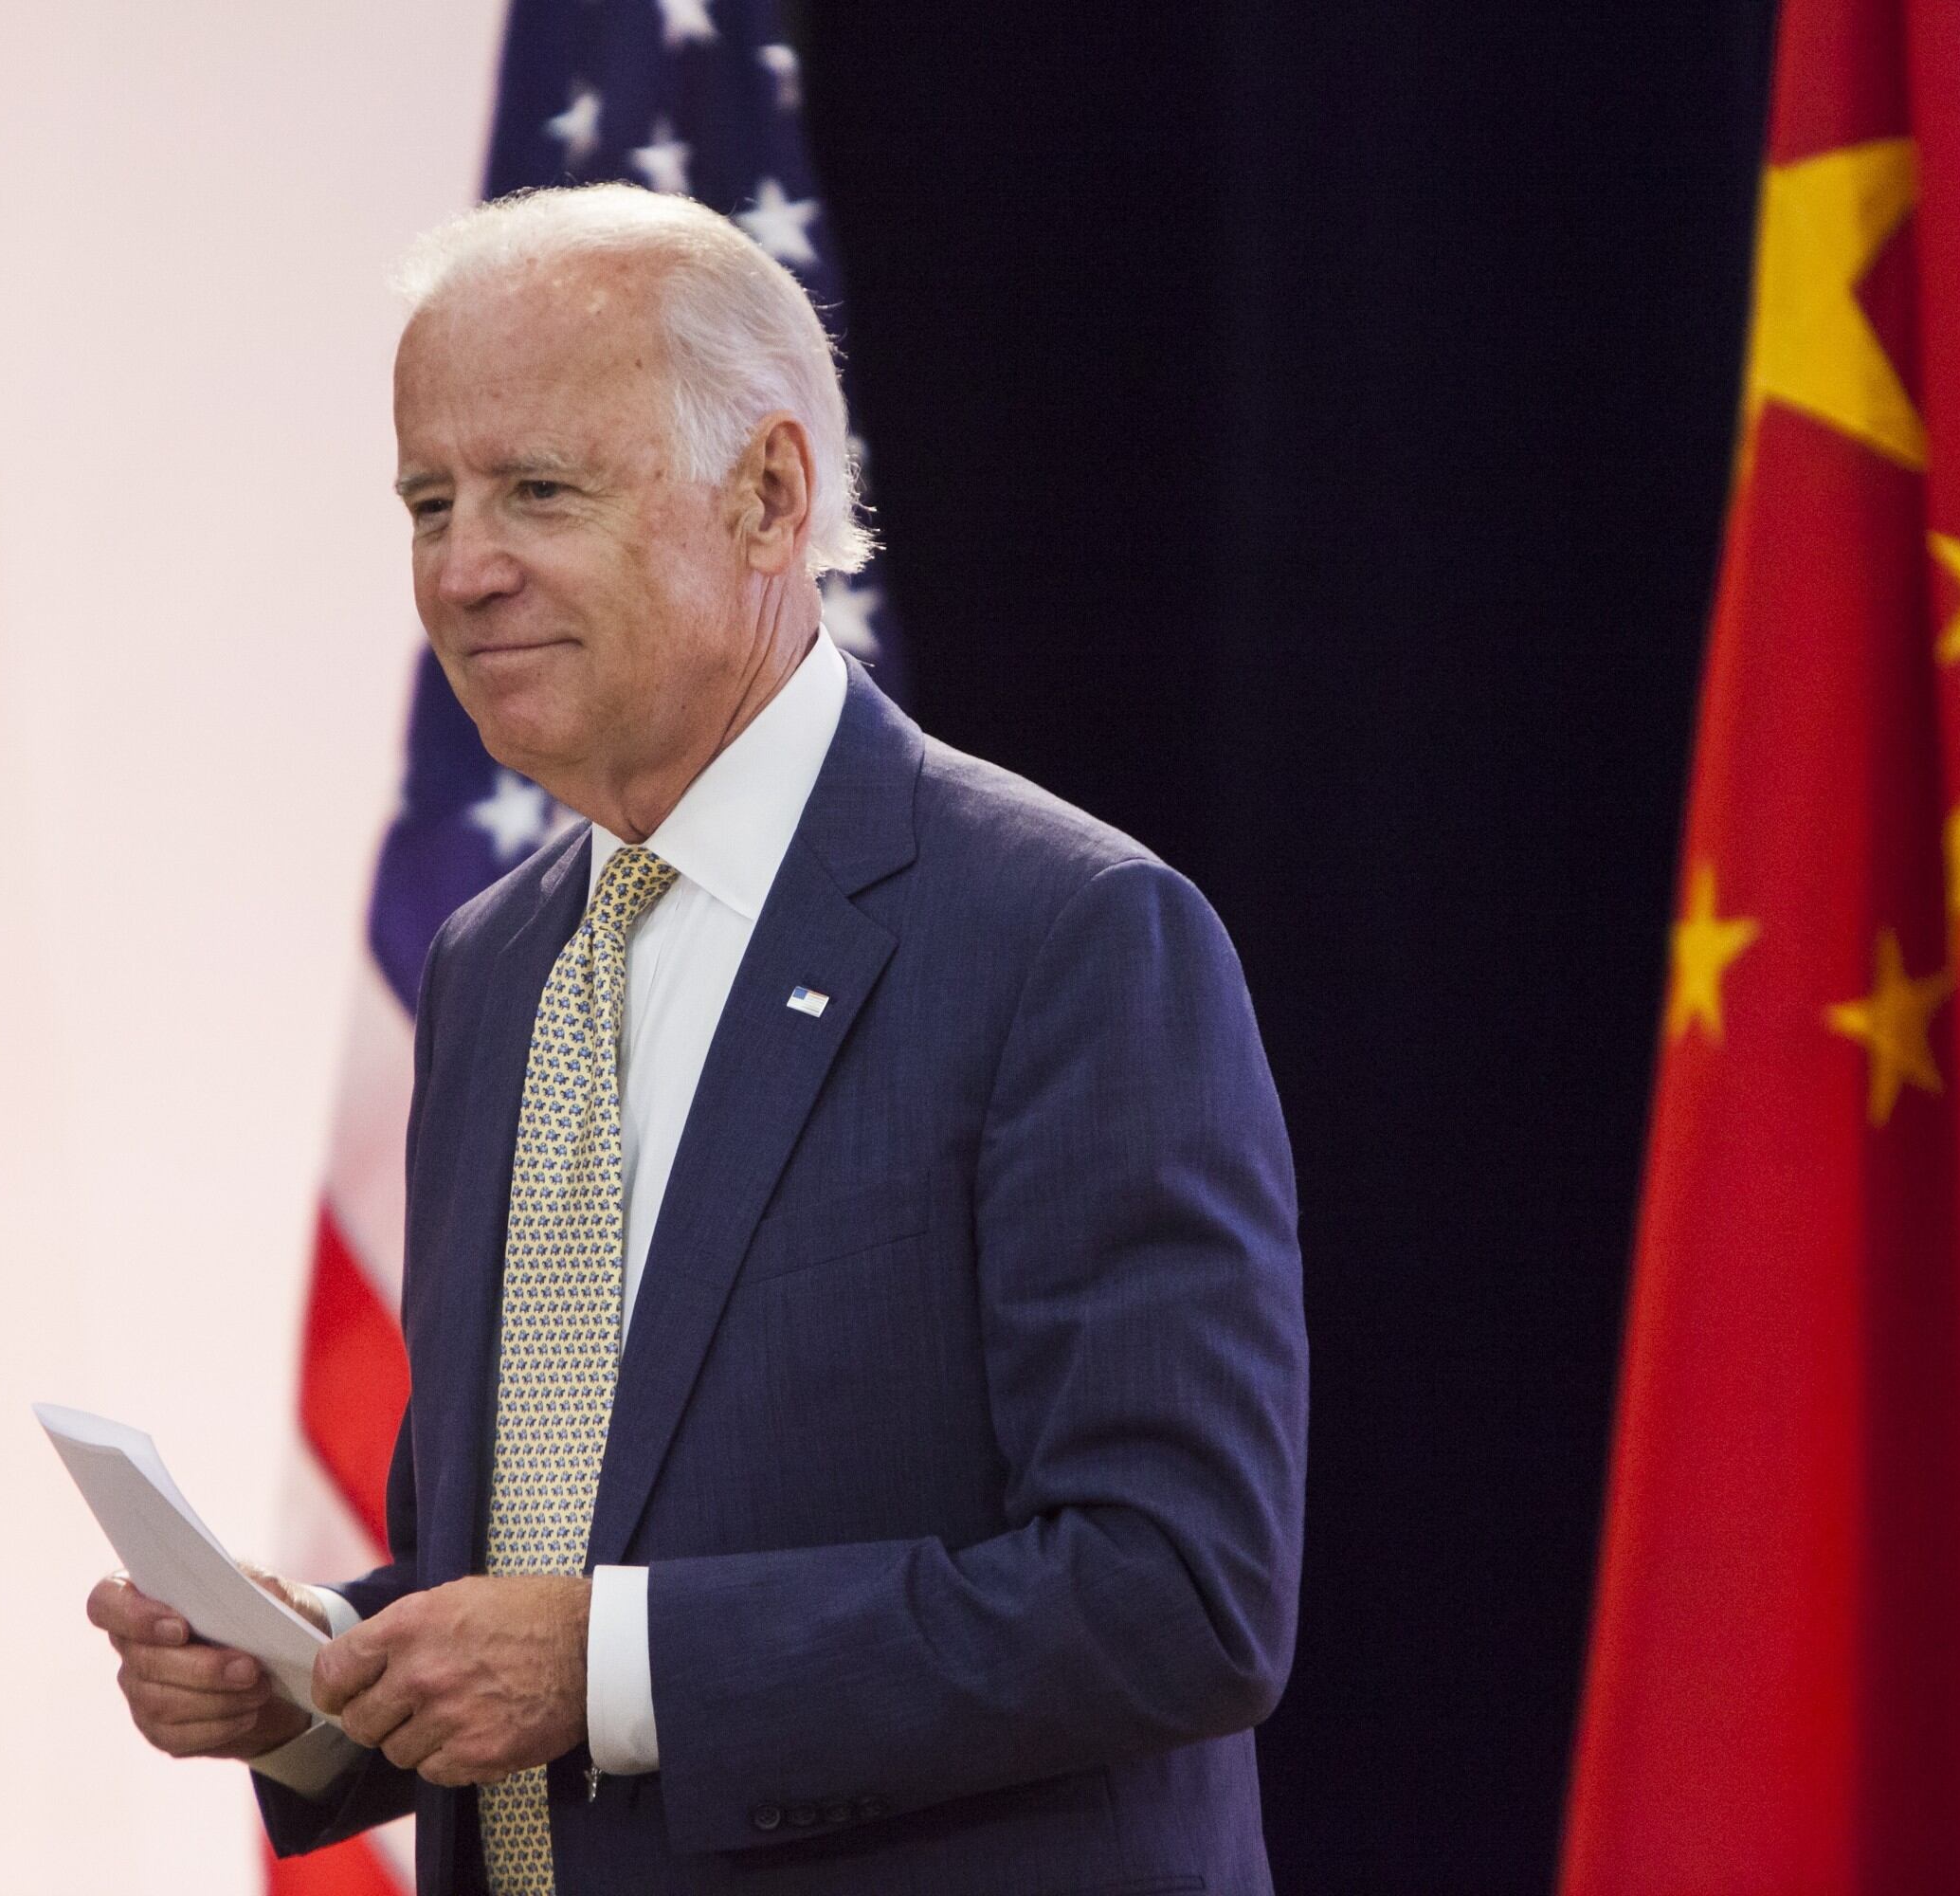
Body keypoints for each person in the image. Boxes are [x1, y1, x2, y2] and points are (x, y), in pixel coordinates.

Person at [85, 181, 1305, 1895]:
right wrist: (313, 1682)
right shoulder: (491, 969)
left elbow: (1178, 1594)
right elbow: (522, 1562)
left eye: (538, 491)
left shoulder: (1069, 938)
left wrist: (602, 1669)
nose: (463, 568)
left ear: (770, 493)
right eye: (427, 500)